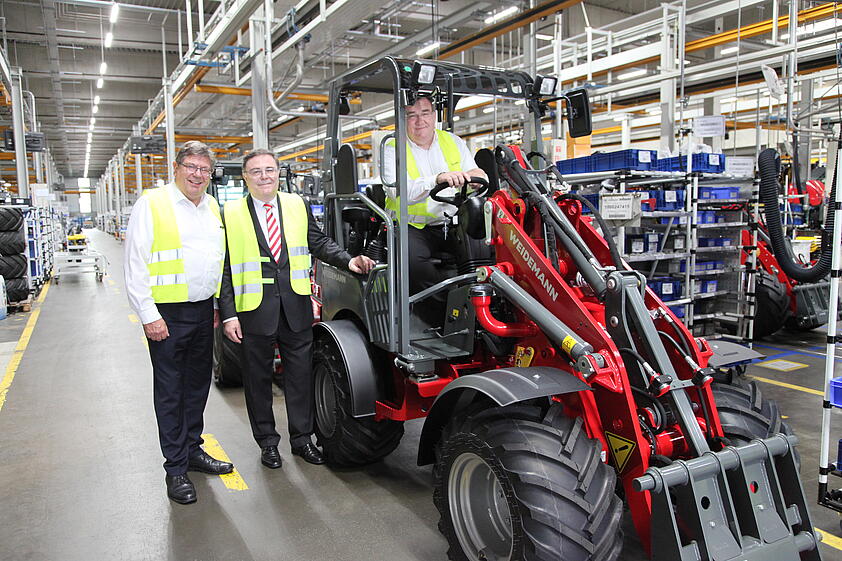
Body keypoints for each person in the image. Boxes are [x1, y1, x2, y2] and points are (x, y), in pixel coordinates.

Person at [218, 148, 374, 469]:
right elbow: (225, 267)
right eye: (256, 171)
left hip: (295, 305)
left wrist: (349, 261)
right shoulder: (230, 213)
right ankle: (267, 443)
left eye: (269, 170)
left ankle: (302, 440)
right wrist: (229, 314)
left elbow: (318, 243)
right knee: (258, 381)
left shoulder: (296, 204)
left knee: (300, 377)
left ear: (278, 173)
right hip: (254, 309)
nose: (264, 176)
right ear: (245, 177)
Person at [124, 141, 234, 505]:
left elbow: (213, 259)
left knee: (197, 387)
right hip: (166, 315)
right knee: (171, 391)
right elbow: (135, 263)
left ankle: (192, 450)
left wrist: (215, 304)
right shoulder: (152, 203)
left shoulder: (211, 206)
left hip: (202, 311)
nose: (197, 175)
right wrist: (148, 314)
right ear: (176, 167)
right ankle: (175, 468)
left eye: (204, 169)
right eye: (191, 167)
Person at [382, 94, 487, 322]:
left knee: (486, 252)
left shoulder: (453, 141)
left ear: (434, 115)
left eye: (425, 113)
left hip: (451, 222)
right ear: (403, 119)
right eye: (412, 115)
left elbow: (474, 171)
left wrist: (477, 176)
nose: (420, 121)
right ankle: (443, 317)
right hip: (411, 226)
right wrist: (437, 179)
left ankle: (482, 309)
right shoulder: (392, 147)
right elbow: (399, 192)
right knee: (414, 264)